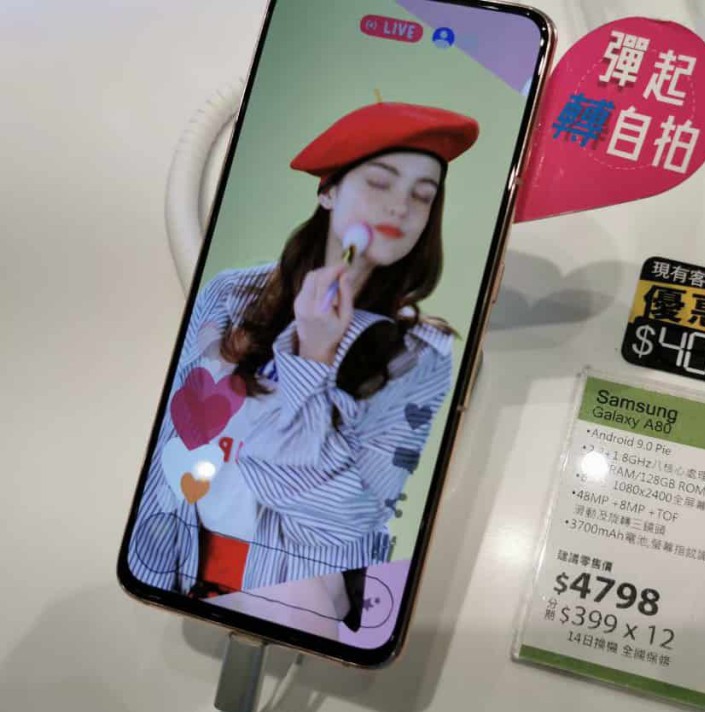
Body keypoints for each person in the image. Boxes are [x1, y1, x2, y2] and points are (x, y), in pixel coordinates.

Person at [129, 102, 480, 624]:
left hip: (293, 598)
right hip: (180, 567)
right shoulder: (231, 295)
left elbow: (346, 522)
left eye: (422, 196)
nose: (400, 207)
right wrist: (151, 568)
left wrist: (313, 359)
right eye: (379, 183)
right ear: (328, 191)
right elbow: (174, 448)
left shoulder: (418, 354)